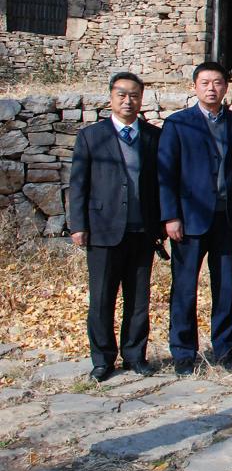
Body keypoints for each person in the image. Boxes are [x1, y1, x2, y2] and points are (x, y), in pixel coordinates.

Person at [68, 72, 163, 382]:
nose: (128, 100)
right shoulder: (91, 136)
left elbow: (161, 183)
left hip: (142, 230)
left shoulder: (153, 137)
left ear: (141, 98)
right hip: (103, 229)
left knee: (138, 299)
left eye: (134, 95)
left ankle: (135, 355)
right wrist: (78, 225)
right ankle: (103, 359)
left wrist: (162, 224)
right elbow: (78, 183)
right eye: (122, 94)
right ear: (110, 97)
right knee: (102, 298)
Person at [158, 61, 232, 375]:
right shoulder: (178, 123)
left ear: (226, 87)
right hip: (189, 219)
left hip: (227, 219)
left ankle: (225, 348)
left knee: (225, 286)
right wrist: (171, 215)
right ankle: (183, 352)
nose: (212, 88)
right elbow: (166, 173)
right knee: (185, 287)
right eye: (205, 83)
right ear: (195, 87)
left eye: (217, 82)